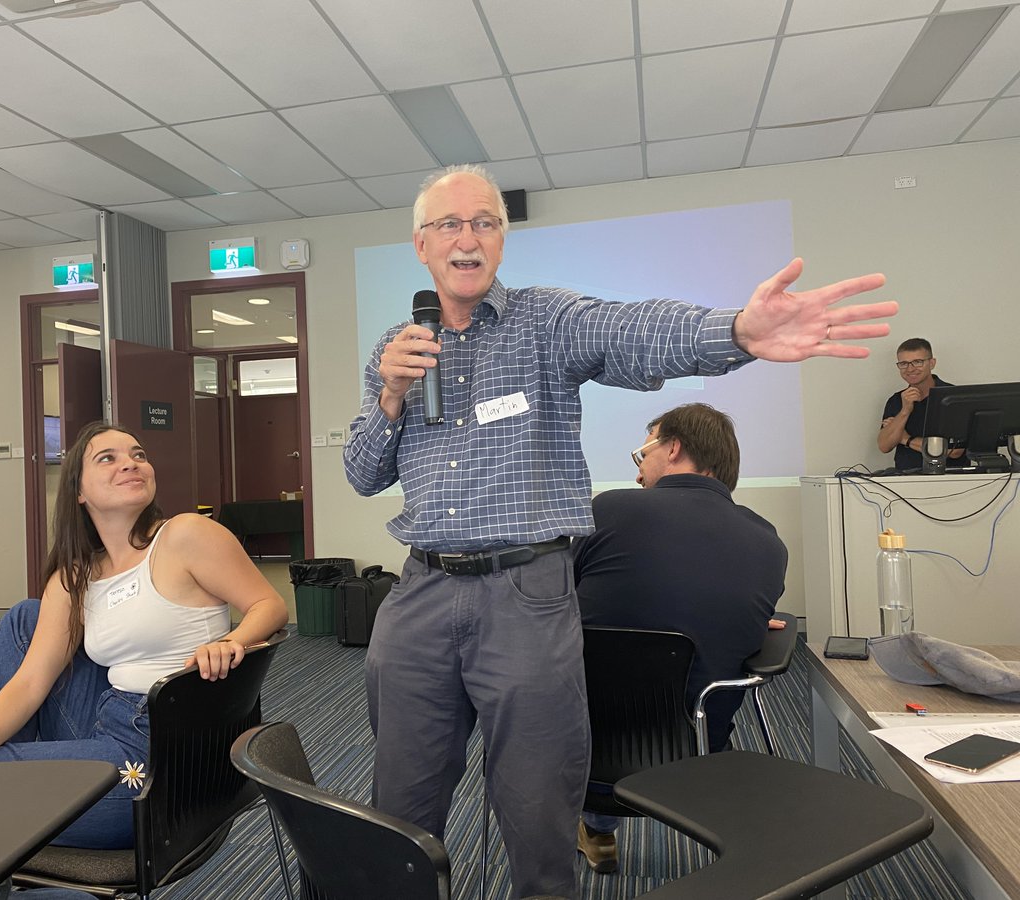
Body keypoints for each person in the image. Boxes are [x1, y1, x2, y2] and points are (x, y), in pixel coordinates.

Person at [343, 163, 895, 899]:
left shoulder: (545, 321)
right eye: (449, 223)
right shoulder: (396, 347)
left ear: (501, 243)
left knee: (538, 807)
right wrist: (390, 394)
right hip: (419, 593)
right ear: (421, 244)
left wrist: (734, 330)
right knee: (399, 804)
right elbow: (362, 472)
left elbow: (633, 330)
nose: (467, 237)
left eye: (484, 223)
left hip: (525, 592)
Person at [0, 421, 287, 849]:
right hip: (106, 718)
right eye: (107, 459)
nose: (130, 463)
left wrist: (231, 641)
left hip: (157, 754)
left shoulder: (184, 534)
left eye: (138, 455)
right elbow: (30, 683)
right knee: (25, 620)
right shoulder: (77, 575)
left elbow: (270, 606)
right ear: (80, 492)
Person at [571, 402, 788, 872]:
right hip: (697, 760)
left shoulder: (608, 509)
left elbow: (550, 598)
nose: (637, 474)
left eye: (641, 455)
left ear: (672, 449)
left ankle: (597, 828)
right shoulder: (767, 541)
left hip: (577, 761)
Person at [877, 337, 964, 470]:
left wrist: (905, 439)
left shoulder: (953, 397)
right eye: (904, 363)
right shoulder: (896, 400)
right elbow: (884, 445)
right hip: (906, 480)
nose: (910, 369)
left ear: (932, 363)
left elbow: (955, 451)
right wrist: (905, 410)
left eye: (917, 362)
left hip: (951, 479)